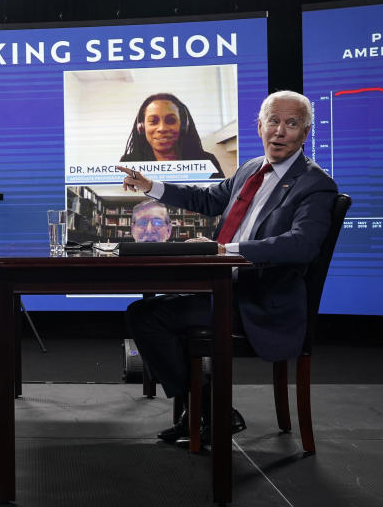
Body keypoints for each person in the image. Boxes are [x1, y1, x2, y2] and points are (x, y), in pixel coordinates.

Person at [118, 90, 337, 446]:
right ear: (260, 126)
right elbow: (207, 199)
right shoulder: (252, 168)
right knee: (150, 310)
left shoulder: (316, 184)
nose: (280, 131)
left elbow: (301, 245)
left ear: (305, 133)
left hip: (261, 301)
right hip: (226, 291)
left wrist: (224, 250)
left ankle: (205, 409)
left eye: (292, 124)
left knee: (146, 316)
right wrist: (151, 186)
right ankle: (207, 410)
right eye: (273, 122)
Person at [120, 93, 225, 179]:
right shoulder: (128, 163)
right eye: (153, 121)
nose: (162, 128)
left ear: (183, 126)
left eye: (171, 120)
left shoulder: (206, 161)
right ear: (141, 127)